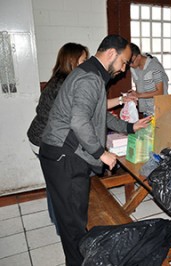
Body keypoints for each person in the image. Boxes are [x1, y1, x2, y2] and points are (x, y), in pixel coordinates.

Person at [39, 35, 152, 266]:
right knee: (72, 222)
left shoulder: (93, 74)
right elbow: (80, 122)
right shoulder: (90, 77)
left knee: (75, 217)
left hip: (64, 153)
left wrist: (131, 126)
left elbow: (99, 116)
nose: (123, 70)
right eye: (123, 62)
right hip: (64, 155)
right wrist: (101, 153)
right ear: (111, 53)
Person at [27, 42, 89, 233]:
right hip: (45, 141)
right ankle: (63, 226)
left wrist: (120, 101)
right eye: (83, 59)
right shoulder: (67, 84)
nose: (86, 64)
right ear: (72, 60)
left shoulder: (60, 79)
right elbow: (77, 117)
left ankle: (58, 221)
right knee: (60, 187)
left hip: (37, 137)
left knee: (55, 184)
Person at [129, 43, 169, 116]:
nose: (130, 65)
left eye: (131, 62)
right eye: (128, 63)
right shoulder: (133, 68)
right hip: (146, 110)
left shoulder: (154, 67)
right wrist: (134, 95)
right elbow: (140, 88)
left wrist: (138, 95)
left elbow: (160, 92)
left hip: (159, 110)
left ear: (138, 56)